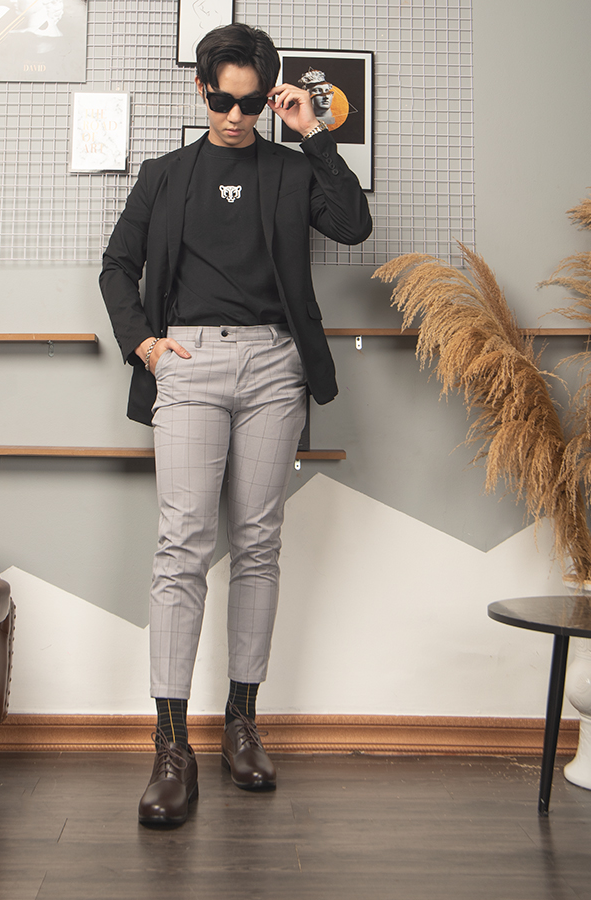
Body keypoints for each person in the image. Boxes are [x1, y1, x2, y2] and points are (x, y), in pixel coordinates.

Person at [100, 22, 372, 827]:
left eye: (251, 104)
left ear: (268, 98)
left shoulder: (290, 171)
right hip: (188, 363)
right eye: (222, 99)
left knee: (257, 543)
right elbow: (117, 265)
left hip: (274, 367)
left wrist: (313, 134)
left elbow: (353, 225)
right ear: (201, 88)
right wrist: (143, 343)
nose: (234, 116)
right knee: (181, 546)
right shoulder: (165, 176)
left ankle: (242, 724)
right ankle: (171, 748)